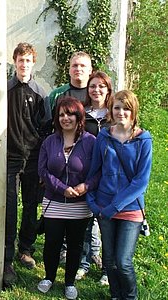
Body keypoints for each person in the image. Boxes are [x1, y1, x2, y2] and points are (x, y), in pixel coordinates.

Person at [86, 90, 152, 300]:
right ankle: (115, 295)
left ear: (133, 111)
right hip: (104, 208)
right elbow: (94, 171)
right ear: (111, 111)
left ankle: (130, 297)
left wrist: (116, 206)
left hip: (130, 209)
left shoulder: (143, 139)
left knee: (123, 261)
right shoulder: (104, 137)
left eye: (126, 108)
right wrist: (93, 203)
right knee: (110, 260)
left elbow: (140, 181)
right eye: (117, 108)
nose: (121, 112)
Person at [37, 97, 96, 300]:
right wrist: (62, 189)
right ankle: (49, 277)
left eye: (70, 114)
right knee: (51, 242)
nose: (65, 118)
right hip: (54, 201)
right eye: (61, 114)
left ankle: (69, 282)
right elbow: (43, 171)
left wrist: (84, 186)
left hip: (80, 204)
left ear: (78, 116)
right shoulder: (49, 141)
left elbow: (98, 171)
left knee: (75, 244)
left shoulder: (90, 142)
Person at [3, 42, 50, 285]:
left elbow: (46, 128)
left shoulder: (41, 93)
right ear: (15, 62)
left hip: (32, 159)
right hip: (9, 158)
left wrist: (40, 155)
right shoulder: (5, 91)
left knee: (31, 205)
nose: (24, 65)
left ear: (33, 63)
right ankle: (7, 255)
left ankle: (26, 249)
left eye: (28, 61)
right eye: (20, 60)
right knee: (9, 208)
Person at [76, 71, 113, 285]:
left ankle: (107, 269)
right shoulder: (83, 114)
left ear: (108, 89)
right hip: (86, 176)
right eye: (92, 86)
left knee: (106, 224)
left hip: (108, 179)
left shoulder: (114, 115)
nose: (96, 90)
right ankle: (83, 263)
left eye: (101, 86)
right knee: (85, 223)